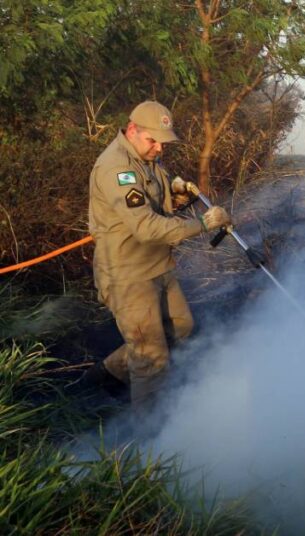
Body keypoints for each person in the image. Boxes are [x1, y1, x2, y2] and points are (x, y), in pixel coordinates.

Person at [82, 100, 231, 409]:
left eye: (163, 142)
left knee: (181, 327)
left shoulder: (146, 158)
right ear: (133, 130)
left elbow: (152, 203)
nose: (159, 148)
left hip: (158, 266)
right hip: (128, 275)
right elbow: (147, 228)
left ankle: (108, 374)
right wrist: (203, 223)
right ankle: (149, 440)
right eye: (153, 140)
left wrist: (173, 192)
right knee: (152, 358)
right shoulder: (116, 167)